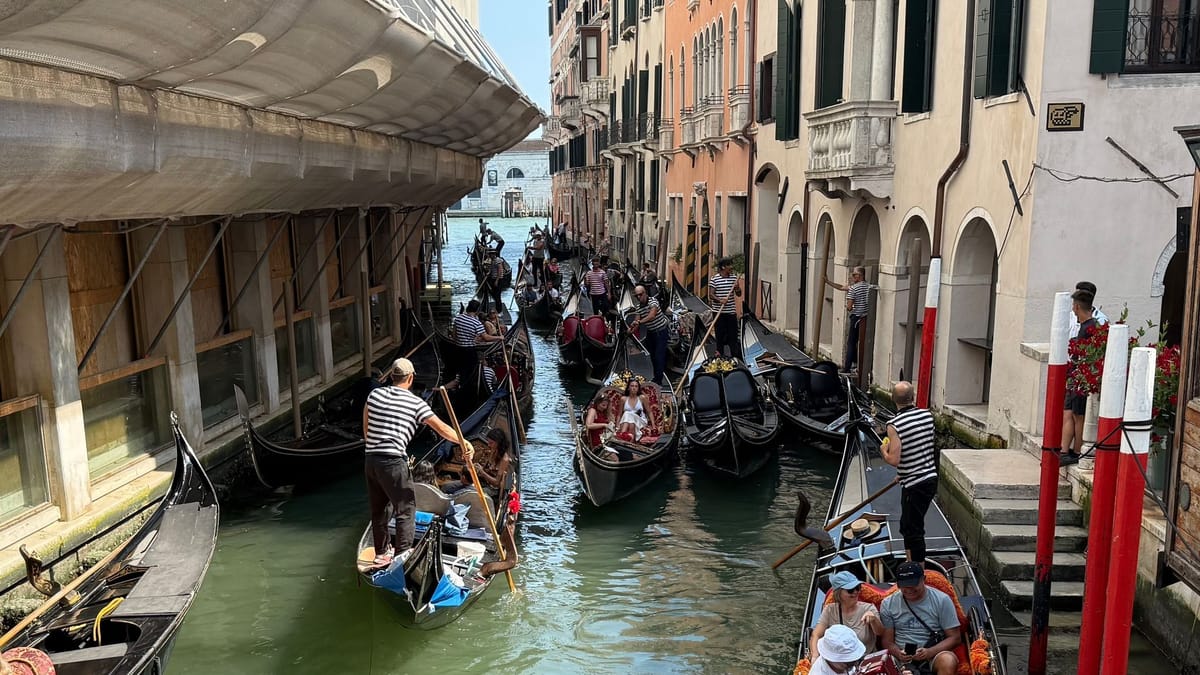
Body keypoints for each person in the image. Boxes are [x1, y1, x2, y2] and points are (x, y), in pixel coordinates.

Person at [362, 357, 474, 566]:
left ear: (391, 377)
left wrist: (375, 446)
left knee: (379, 508)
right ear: (411, 378)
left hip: (371, 459)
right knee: (405, 509)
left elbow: (366, 427)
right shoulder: (416, 403)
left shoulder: (374, 394)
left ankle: (380, 553)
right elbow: (441, 429)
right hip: (393, 461)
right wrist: (463, 441)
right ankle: (401, 556)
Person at [881, 381, 938, 564]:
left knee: (913, 530)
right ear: (912, 398)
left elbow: (894, 459)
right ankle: (910, 562)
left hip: (915, 484)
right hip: (928, 479)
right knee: (906, 525)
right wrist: (904, 473)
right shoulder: (927, 415)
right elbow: (919, 446)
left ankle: (918, 573)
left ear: (893, 400)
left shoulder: (894, 424)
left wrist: (884, 451)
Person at [880, 562, 962, 675]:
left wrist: (929, 652)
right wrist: (899, 654)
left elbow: (955, 638)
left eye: (913, 584)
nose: (909, 589)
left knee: (947, 661)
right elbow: (887, 642)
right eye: (904, 585)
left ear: (923, 579)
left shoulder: (942, 600)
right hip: (902, 657)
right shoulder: (888, 604)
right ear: (898, 584)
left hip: (934, 653)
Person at [1062, 288, 1100, 466]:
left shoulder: (1089, 328)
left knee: (1078, 416)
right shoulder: (1088, 327)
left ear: (1077, 307)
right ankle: (1064, 450)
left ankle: (1076, 451)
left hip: (1081, 380)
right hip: (1075, 377)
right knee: (1069, 413)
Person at [810, 571, 884, 660]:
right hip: (839, 661)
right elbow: (816, 635)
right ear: (838, 593)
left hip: (865, 660)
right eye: (850, 590)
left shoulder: (868, 608)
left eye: (858, 588)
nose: (856, 592)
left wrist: (874, 619)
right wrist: (815, 656)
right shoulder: (830, 610)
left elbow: (880, 632)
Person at [825, 266, 870, 373]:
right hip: (866, 318)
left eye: (854, 275)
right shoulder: (868, 287)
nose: (852, 276)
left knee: (851, 343)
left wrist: (849, 307)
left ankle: (847, 368)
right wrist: (828, 282)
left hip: (856, 318)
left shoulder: (854, 289)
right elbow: (841, 287)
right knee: (863, 343)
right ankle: (861, 367)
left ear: (860, 276)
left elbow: (849, 306)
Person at [450, 300, 501, 390]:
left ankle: (461, 387)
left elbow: (454, 336)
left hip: (458, 349)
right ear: (477, 311)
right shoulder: (476, 323)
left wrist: (462, 340)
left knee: (462, 370)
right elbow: (486, 338)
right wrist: (500, 338)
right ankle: (468, 389)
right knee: (471, 371)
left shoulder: (458, 318)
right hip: (469, 350)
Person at [629, 284, 670, 385]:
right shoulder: (638, 307)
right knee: (652, 356)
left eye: (640, 295)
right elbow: (636, 321)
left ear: (645, 293)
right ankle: (657, 376)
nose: (639, 297)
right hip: (651, 333)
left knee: (658, 356)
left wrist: (639, 322)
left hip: (661, 331)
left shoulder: (653, 301)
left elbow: (652, 316)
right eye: (636, 296)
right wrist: (629, 330)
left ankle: (658, 380)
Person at [708, 258, 742, 360]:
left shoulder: (734, 279)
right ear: (723, 267)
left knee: (733, 335)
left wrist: (737, 288)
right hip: (718, 312)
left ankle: (734, 357)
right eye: (729, 265)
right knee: (720, 335)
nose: (731, 267)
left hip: (731, 312)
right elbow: (711, 295)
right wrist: (720, 300)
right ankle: (720, 356)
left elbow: (739, 294)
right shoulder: (715, 279)